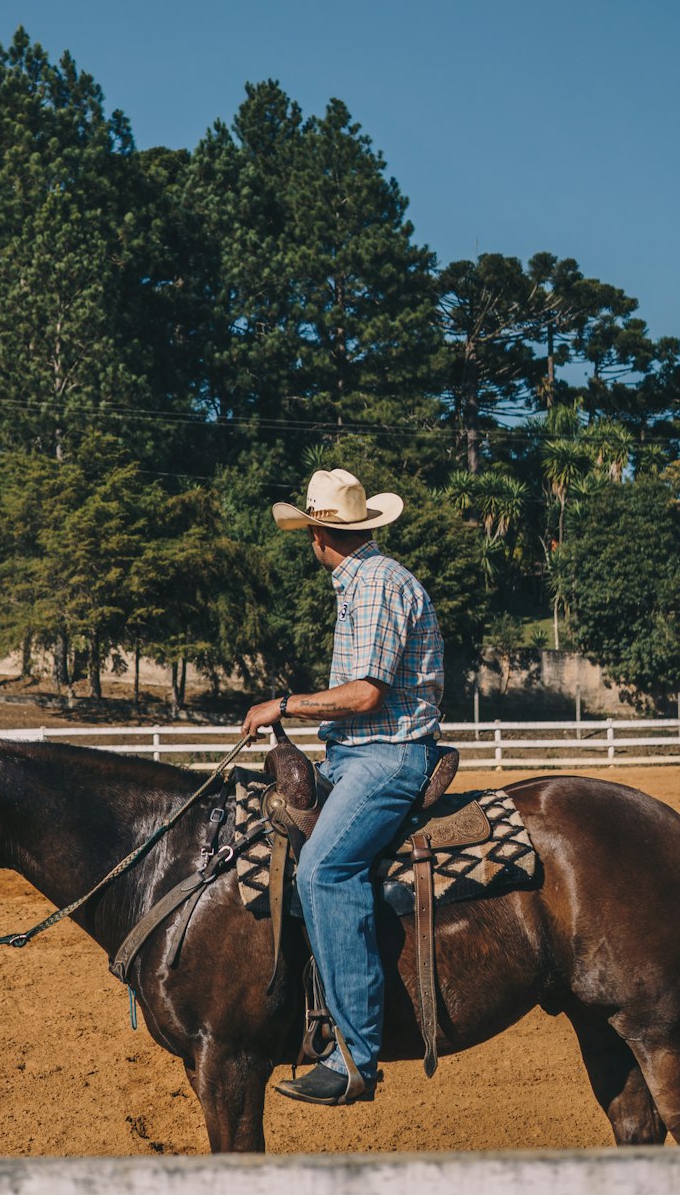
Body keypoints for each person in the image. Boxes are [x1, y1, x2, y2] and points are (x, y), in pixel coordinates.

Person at [241, 468, 444, 1106]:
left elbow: (364, 694)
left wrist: (283, 706)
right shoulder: (356, 584)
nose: (308, 541)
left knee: (325, 869)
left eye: (309, 530)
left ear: (324, 533)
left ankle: (356, 1055)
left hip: (386, 757)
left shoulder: (379, 585)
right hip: (355, 753)